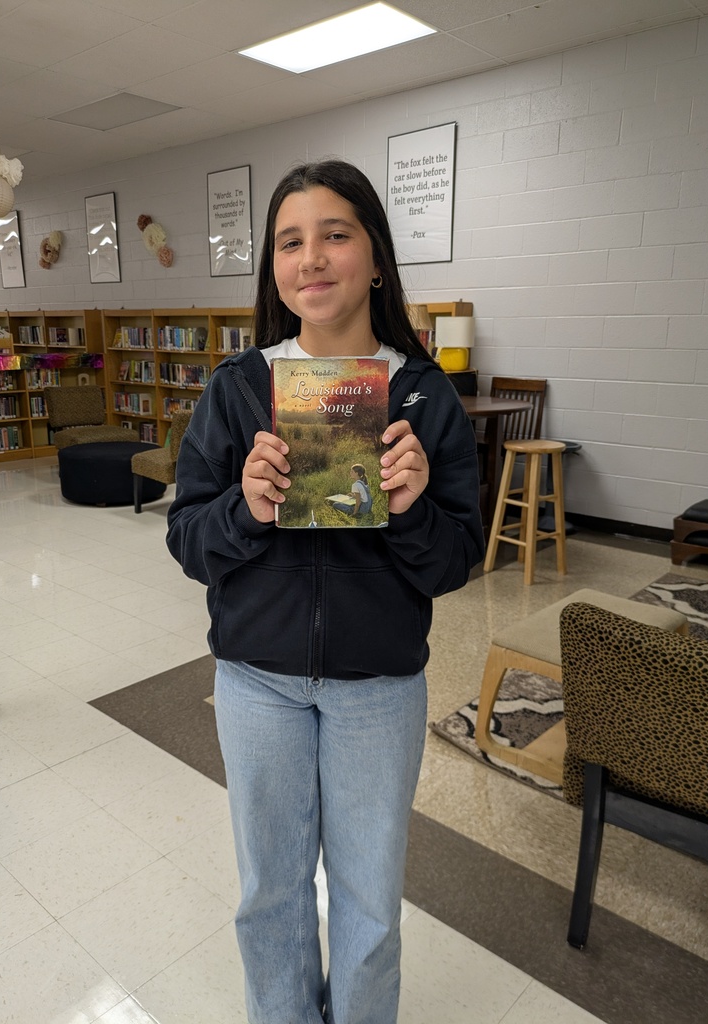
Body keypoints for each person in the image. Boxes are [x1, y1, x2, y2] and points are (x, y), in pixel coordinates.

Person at [166, 159, 484, 1024]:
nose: (311, 258)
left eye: (334, 234)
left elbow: (455, 562)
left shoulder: (424, 396)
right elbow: (187, 540)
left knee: (370, 904)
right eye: (290, 241)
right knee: (269, 893)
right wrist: (245, 507)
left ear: (375, 257)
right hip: (256, 681)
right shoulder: (238, 390)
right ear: (272, 267)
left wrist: (414, 510)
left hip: (377, 690)